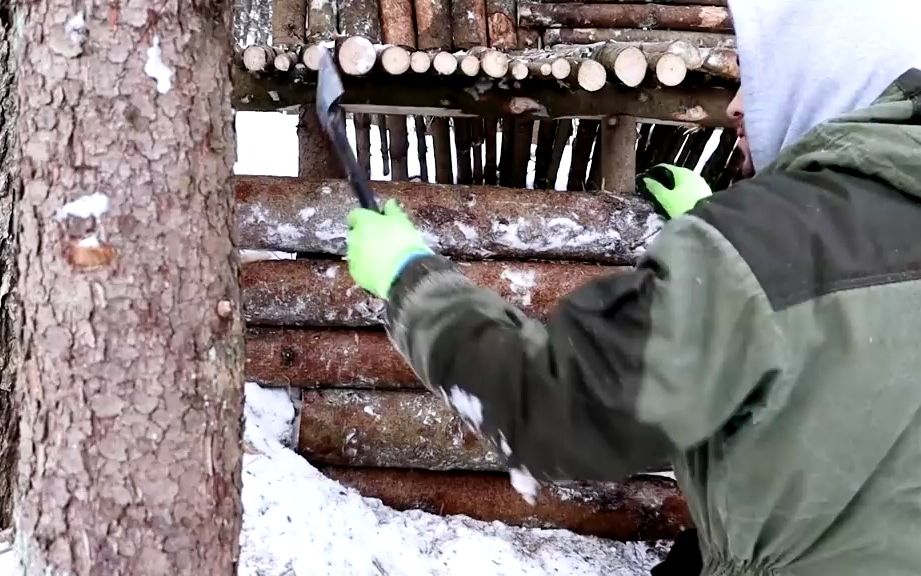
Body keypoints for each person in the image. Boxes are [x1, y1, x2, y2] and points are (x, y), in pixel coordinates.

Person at [344, 1, 921, 573]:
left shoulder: (761, 251)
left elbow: (558, 405)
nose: (739, 106)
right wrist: (733, 247)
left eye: (759, 79)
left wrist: (411, 281)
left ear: (827, 70)